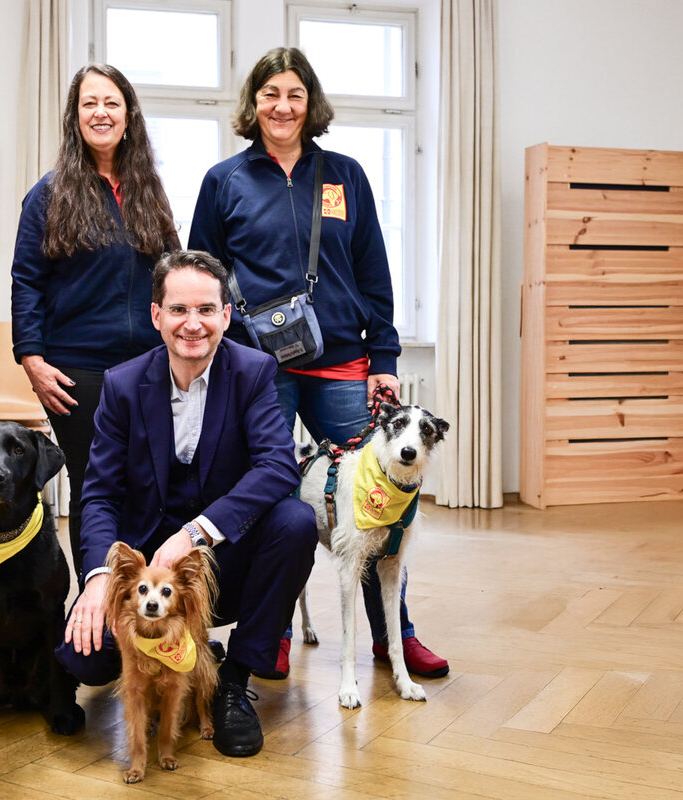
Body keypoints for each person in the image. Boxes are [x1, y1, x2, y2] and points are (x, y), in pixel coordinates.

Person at [188, 47, 448, 681]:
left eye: (295, 94)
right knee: (268, 496)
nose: (282, 105)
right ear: (253, 103)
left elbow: (373, 273)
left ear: (311, 105)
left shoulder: (345, 176)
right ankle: (267, 629)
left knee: (376, 500)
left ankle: (393, 633)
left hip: (341, 364)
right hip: (255, 369)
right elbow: (201, 273)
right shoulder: (224, 181)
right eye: (270, 93)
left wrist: (384, 356)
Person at [57, 250, 318, 758]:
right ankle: (186, 654)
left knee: (295, 520)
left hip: (222, 567)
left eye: (205, 309)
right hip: (146, 582)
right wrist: (99, 579)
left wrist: (195, 533)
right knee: (84, 662)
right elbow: (100, 494)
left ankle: (234, 680)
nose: (192, 324)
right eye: (178, 310)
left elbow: (277, 467)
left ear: (226, 314)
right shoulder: (123, 384)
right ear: (157, 316)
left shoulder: (254, 371)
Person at [11, 64, 179, 584]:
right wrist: (32, 359)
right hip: (76, 372)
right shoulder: (49, 193)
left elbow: (171, 273)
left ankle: (143, 612)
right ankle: (96, 610)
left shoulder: (150, 191)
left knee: (150, 486)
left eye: (111, 102)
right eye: (89, 103)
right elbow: (26, 281)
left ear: (128, 115)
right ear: (75, 117)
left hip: (149, 366)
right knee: (96, 488)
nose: (100, 112)